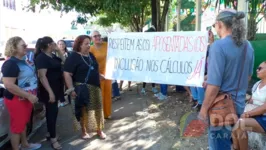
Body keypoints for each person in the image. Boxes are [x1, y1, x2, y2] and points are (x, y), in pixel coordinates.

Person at [198, 9, 254, 150]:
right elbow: (247, 77)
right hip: (240, 105)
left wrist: (203, 110)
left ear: (219, 24)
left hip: (221, 109)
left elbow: (214, 86)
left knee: (218, 146)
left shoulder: (218, 46)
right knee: (231, 144)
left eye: (214, 26)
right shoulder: (248, 46)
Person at [1, 36, 41, 150]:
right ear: (14, 47)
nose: (26, 47)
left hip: (25, 99)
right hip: (17, 99)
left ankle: (25, 144)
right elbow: (9, 85)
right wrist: (28, 95)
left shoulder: (22, 61)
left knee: (22, 123)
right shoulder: (10, 63)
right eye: (23, 46)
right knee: (17, 126)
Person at [64, 35, 106, 139]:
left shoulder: (91, 55)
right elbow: (67, 74)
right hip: (81, 89)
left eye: (89, 43)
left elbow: (94, 69)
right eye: (86, 44)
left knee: (97, 109)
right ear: (79, 45)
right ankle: (84, 131)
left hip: (96, 88)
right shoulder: (73, 57)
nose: (89, 45)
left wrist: (100, 75)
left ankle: (99, 130)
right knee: (82, 110)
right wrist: (71, 89)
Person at [35, 36, 65, 150]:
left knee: (53, 112)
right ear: (49, 45)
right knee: (52, 113)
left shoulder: (52, 56)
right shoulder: (41, 58)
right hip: (49, 89)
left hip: (57, 88)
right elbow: (42, 77)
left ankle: (50, 132)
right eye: (54, 43)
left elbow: (65, 62)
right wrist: (50, 93)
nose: (55, 45)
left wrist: (58, 51)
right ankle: (53, 139)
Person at [232, 61, 266, 150]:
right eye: (257, 68)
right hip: (255, 114)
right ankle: (236, 147)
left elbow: (264, 107)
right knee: (234, 122)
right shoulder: (257, 84)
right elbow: (251, 100)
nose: (257, 70)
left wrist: (248, 114)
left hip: (263, 117)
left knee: (240, 124)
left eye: (260, 68)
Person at [90, 31, 112, 119]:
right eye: (95, 36)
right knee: (100, 95)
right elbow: (90, 64)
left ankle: (107, 114)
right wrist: (97, 74)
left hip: (108, 73)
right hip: (97, 75)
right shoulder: (90, 49)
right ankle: (100, 115)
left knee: (108, 93)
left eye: (99, 35)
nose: (98, 37)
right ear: (92, 38)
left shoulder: (107, 45)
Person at [57, 40, 70, 107]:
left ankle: (70, 99)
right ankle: (62, 100)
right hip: (58, 73)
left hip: (67, 73)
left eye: (62, 44)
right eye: (60, 44)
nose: (61, 45)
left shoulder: (69, 53)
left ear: (65, 45)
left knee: (68, 86)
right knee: (60, 86)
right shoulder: (55, 54)